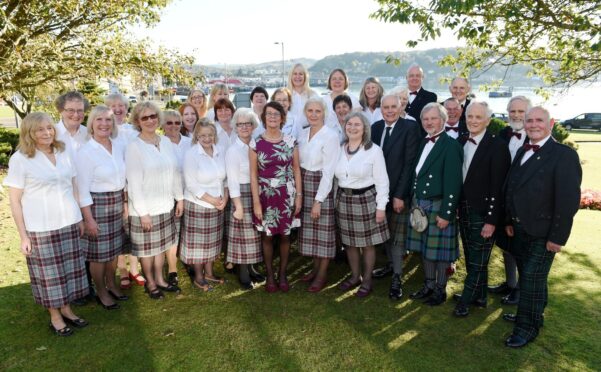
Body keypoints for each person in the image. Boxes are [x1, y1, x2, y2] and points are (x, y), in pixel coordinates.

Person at [502, 106, 581, 348]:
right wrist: (508, 220)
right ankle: (533, 315)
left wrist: (557, 237)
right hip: (519, 229)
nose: (533, 124)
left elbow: (568, 201)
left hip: (544, 233)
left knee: (532, 280)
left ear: (551, 123)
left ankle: (527, 328)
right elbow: (512, 187)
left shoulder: (563, 155)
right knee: (531, 278)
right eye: (529, 121)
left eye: (539, 120)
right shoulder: (523, 150)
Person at [4, 112, 89, 336]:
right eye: (40, 129)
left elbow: (73, 186)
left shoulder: (62, 152)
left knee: (69, 271)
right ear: (29, 133)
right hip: (41, 228)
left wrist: (79, 217)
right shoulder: (21, 159)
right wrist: (23, 236)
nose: (47, 133)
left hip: (68, 221)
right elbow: (14, 200)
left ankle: (68, 310)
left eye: (49, 128)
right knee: (50, 276)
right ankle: (55, 317)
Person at [452, 101, 511, 317]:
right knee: (471, 256)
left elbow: (499, 187)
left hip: (484, 212)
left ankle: (466, 300)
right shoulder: (461, 141)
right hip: (465, 209)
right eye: (470, 117)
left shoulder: (498, 146)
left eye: (478, 117)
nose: (473, 121)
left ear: (487, 120)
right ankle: (481, 296)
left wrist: (491, 220)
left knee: (478, 259)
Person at [125, 102, 184, 299]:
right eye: (145, 118)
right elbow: (133, 184)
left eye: (153, 116)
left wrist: (180, 199)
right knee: (147, 251)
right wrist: (143, 213)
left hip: (166, 205)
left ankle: (160, 279)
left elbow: (175, 172)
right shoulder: (134, 147)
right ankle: (150, 283)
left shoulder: (165, 142)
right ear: (137, 122)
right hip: (145, 211)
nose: (150, 120)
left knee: (162, 247)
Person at [407, 102, 463, 306]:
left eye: (433, 118)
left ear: (443, 120)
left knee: (439, 254)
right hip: (421, 206)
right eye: (425, 119)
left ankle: (440, 289)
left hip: (438, 207)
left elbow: (454, 183)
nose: (429, 122)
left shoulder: (451, 146)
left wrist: (446, 214)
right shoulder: (424, 142)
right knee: (425, 250)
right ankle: (428, 285)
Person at [76, 105, 128, 310]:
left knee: (114, 252)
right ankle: (101, 291)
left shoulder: (117, 146)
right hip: (97, 206)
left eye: (108, 120)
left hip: (116, 203)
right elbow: (82, 189)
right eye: (99, 120)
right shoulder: (86, 152)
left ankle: (112, 284)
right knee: (99, 255)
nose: (104, 124)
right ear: (91, 124)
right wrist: (88, 219)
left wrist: (124, 204)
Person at [370, 95, 421, 299]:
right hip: (377, 193)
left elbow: (409, 165)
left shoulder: (409, 128)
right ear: (381, 109)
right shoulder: (374, 128)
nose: (389, 110)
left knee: (398, 239)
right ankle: (390, 266)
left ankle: (397, 278)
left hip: (399, 193)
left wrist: (399, 195)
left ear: (401, 108)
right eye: (386, 107)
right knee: (385, 235)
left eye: (393, 107)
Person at [335, 112, 390, 298]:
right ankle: (354, 277)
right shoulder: (340, 149)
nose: (352, 127)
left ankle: (367, 280)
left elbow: (382, 181)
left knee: (367, 245)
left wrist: (381, 207)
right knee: (349, 243)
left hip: (366, 200)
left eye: (357, 124)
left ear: (365, 128)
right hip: (344, 200)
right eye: (349, 124)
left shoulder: (374, 151)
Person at [250, 101, 302, 293]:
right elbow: (253, 175)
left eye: (276, 114)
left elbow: (296, 169)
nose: (272, 117)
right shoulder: (255, 143)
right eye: (269, 114)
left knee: (286, 236)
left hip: (286, 194)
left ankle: (282, 274)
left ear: (282, 118)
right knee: (267, 237)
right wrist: (256, 201)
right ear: (264, 118)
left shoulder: (290, 141)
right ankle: (270, 275)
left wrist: (299, 196)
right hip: (265, 196)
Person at [488, 96, 532, 304]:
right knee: (505, 243)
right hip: (502, 197)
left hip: (523, 202)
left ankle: (521, 290)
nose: (515, 115)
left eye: (521, 112)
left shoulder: (534, 139)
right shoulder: (503, 135)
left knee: (521, 247)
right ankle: (511, 282)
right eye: (512, 111)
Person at [297, 98, 340, 292]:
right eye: (310, 111)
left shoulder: (330, 136)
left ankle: (322, 275)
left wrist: (318, 200)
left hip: (321, 185)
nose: (313, 114)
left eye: (318, 111)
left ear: (324, 113)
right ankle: (314, 270)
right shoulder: (303, 133)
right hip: (304, 183)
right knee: (311, 231)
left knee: (323, 233)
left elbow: (329, 171)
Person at [180, 119, 228, 291]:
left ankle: (209, 273)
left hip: (218, 204)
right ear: (197, 136)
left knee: (213, 242)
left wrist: (224, 199)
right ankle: (199, 277)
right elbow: (192, 185)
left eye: (210, 135)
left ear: (214, 135)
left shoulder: (220, 151)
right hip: (198, 204)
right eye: (203, 135)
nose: (207, 138)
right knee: (199, 245)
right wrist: (213, 200)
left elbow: (226, 178)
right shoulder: (192, 154)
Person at [105, 93, 143, 289]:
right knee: (120, 230)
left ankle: (135, 268)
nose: (117, 109)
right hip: (117, 189)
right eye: (112, 106)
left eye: (121, 105)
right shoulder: (106, 131)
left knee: (134, 229)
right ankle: (122, 270)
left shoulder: (133, 131)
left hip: (136, 186)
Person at [226, 109, 263, 290]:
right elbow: (232, 181)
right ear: (235, 127)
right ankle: (243, 273)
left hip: (257, 191)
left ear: (253, 126)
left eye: (248, 123)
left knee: (255, 234)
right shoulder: (233, 150)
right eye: (240, 124)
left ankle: (252, 267)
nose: (244, 127)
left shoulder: (257, 145)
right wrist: (238, 205)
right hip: (241, 193)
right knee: (242, 236)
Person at [161, 110, 192, 288]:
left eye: (177, 123)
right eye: (169, 123)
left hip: (190, 192)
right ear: (162, 125)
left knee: (188, 231)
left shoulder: (189, 142)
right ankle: (172, 270)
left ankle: (189, 261)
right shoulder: (160, 143)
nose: (173, 126)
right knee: (173, 233)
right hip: (170, 194)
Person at [54, 91, 89, 158]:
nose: (76, 115)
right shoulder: (51, 134)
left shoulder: (89, 134)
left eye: (80, 110)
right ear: (61, 111)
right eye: (71, 110)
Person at [404, 63, 438, 132]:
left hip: (421, 138)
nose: (414, 78)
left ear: (422, 78)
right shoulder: (398, 96)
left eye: (418, 75)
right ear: (406, 77)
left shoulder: (431, 97)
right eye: (411, 75)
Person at [287, 63, 318, 128]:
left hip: (308, 131)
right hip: (288, 131)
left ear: (305, 76)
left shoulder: (313, 95)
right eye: (295, 74)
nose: (297, 77)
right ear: (291, 76)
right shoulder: (285, 94)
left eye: (301, 74)